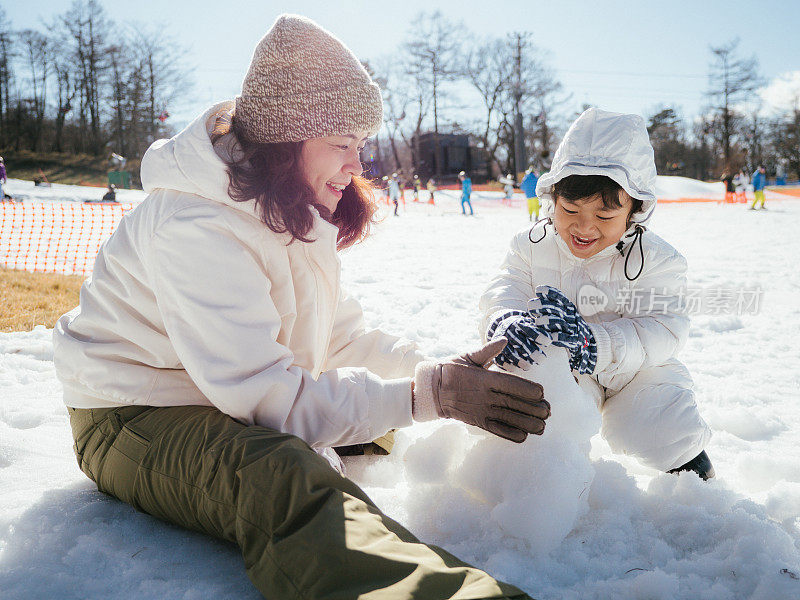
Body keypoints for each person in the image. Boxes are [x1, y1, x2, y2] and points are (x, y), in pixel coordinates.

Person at [53, 15, 549, 600]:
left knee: (371, 423)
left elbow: (338, 339)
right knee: (279, 473)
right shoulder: (194, 227)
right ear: (285, 143)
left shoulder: (285, 211)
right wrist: (423, 398)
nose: (357, 167)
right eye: (341, 145)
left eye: (360, 146)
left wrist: (437, 374)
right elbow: (266, 400)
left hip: (221, 393)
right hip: (135, 412)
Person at [480, 108, 714, 481]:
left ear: (635, 210)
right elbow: (507, 286)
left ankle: (693, 475)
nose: (584, 226)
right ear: (552, 200)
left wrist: (595, 344)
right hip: (567, 368)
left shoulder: (658, 260)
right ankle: (553, 482)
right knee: (541, 411)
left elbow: (664, 327)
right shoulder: (530, 245)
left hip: (635, 368)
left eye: (605, 216)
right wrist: (504, 318)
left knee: (659, 427)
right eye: (570, 209)